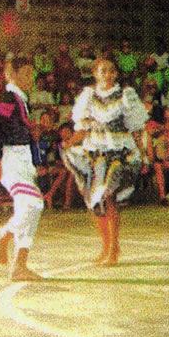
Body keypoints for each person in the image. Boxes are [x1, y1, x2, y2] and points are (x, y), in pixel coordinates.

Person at [62, 58, 149, 266]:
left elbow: (136, 128)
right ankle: (106, 245)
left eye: (111, 71)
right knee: (94, 202)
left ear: (116, 74)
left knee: (109, 197)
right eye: (103, 71)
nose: (107, 74)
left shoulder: (125, 95)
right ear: (95, 73)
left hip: (118, 152)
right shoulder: (88, 96)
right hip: (95, 152)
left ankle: (114, 249)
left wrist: (143, 153)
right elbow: (82, 129)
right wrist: (69, 144)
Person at [0, 56, 44, 281]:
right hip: (11, 159)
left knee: (28, 210)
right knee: (34, 203)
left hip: (22, 159)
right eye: (26, 73)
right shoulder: (8, 97)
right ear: (12, 74)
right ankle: (2, 235)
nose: (31, 78)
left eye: (32, 74)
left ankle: (20, 265)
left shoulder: (20, 99)